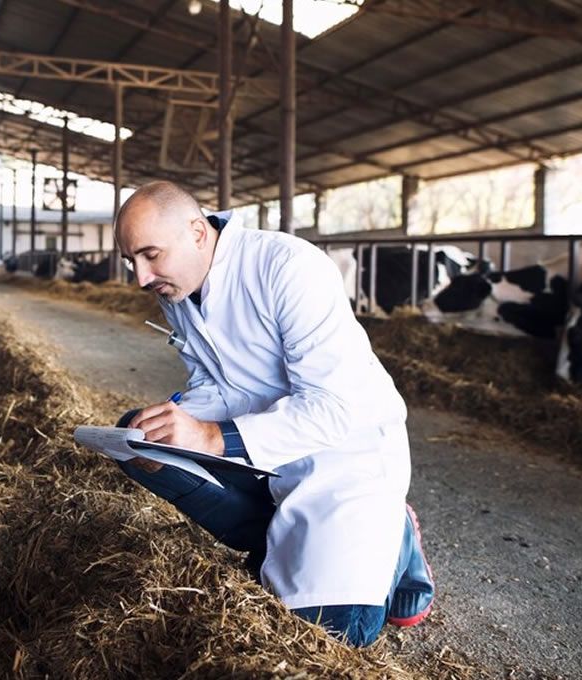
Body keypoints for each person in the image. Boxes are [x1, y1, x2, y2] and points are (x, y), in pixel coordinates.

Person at [111, 181, 435, 647]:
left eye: (150, 255)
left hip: (346, 456)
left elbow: (332, 410)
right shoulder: (177, 287)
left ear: (198, 233)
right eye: (132, 261)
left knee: (334, 634)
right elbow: (212, 381)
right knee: (138, 441)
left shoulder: (289, 268)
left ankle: (393, 532)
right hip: (264, 448)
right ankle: (272, 541)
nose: (141, 277)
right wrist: (174, 418)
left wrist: (208, 438)